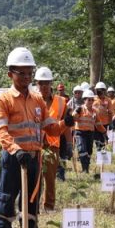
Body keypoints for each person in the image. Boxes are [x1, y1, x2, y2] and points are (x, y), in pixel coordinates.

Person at [0, 48, 65, 228]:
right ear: (10, 74)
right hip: (13, 159)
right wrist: (16, 150)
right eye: (21, 73)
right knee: (5, 201)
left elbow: (50, 129)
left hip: (33, 159)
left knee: (31, 204)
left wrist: (66, 124)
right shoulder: (4, 100)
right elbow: (0, 131)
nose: (26, 78)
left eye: (28, 73)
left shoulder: (37, 101)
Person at [35, 67, 73, 209]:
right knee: (35, 178)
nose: (44, 86)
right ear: (36, 83)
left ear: (51, 83)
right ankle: (33, 206)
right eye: (41, 83)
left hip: (52, 145)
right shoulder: (31, 99)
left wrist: (69, 143)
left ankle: (49, 206)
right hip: (34, 145)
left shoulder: (62, 102)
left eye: (46, 83)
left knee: (50, 178)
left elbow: (67, 124)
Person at [72, 90, 103, 173]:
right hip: (80, 133)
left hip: (90, 133)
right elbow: (74, 118)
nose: (90, 101)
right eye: (88, 100)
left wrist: (104, 132)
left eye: (92, 100)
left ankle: (86, 168)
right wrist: (76, 112)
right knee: (82, 150)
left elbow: (98, 124)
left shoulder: (95, 111)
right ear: (84, 100)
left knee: (89, 151)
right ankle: (85, 169)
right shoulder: (80, 109)